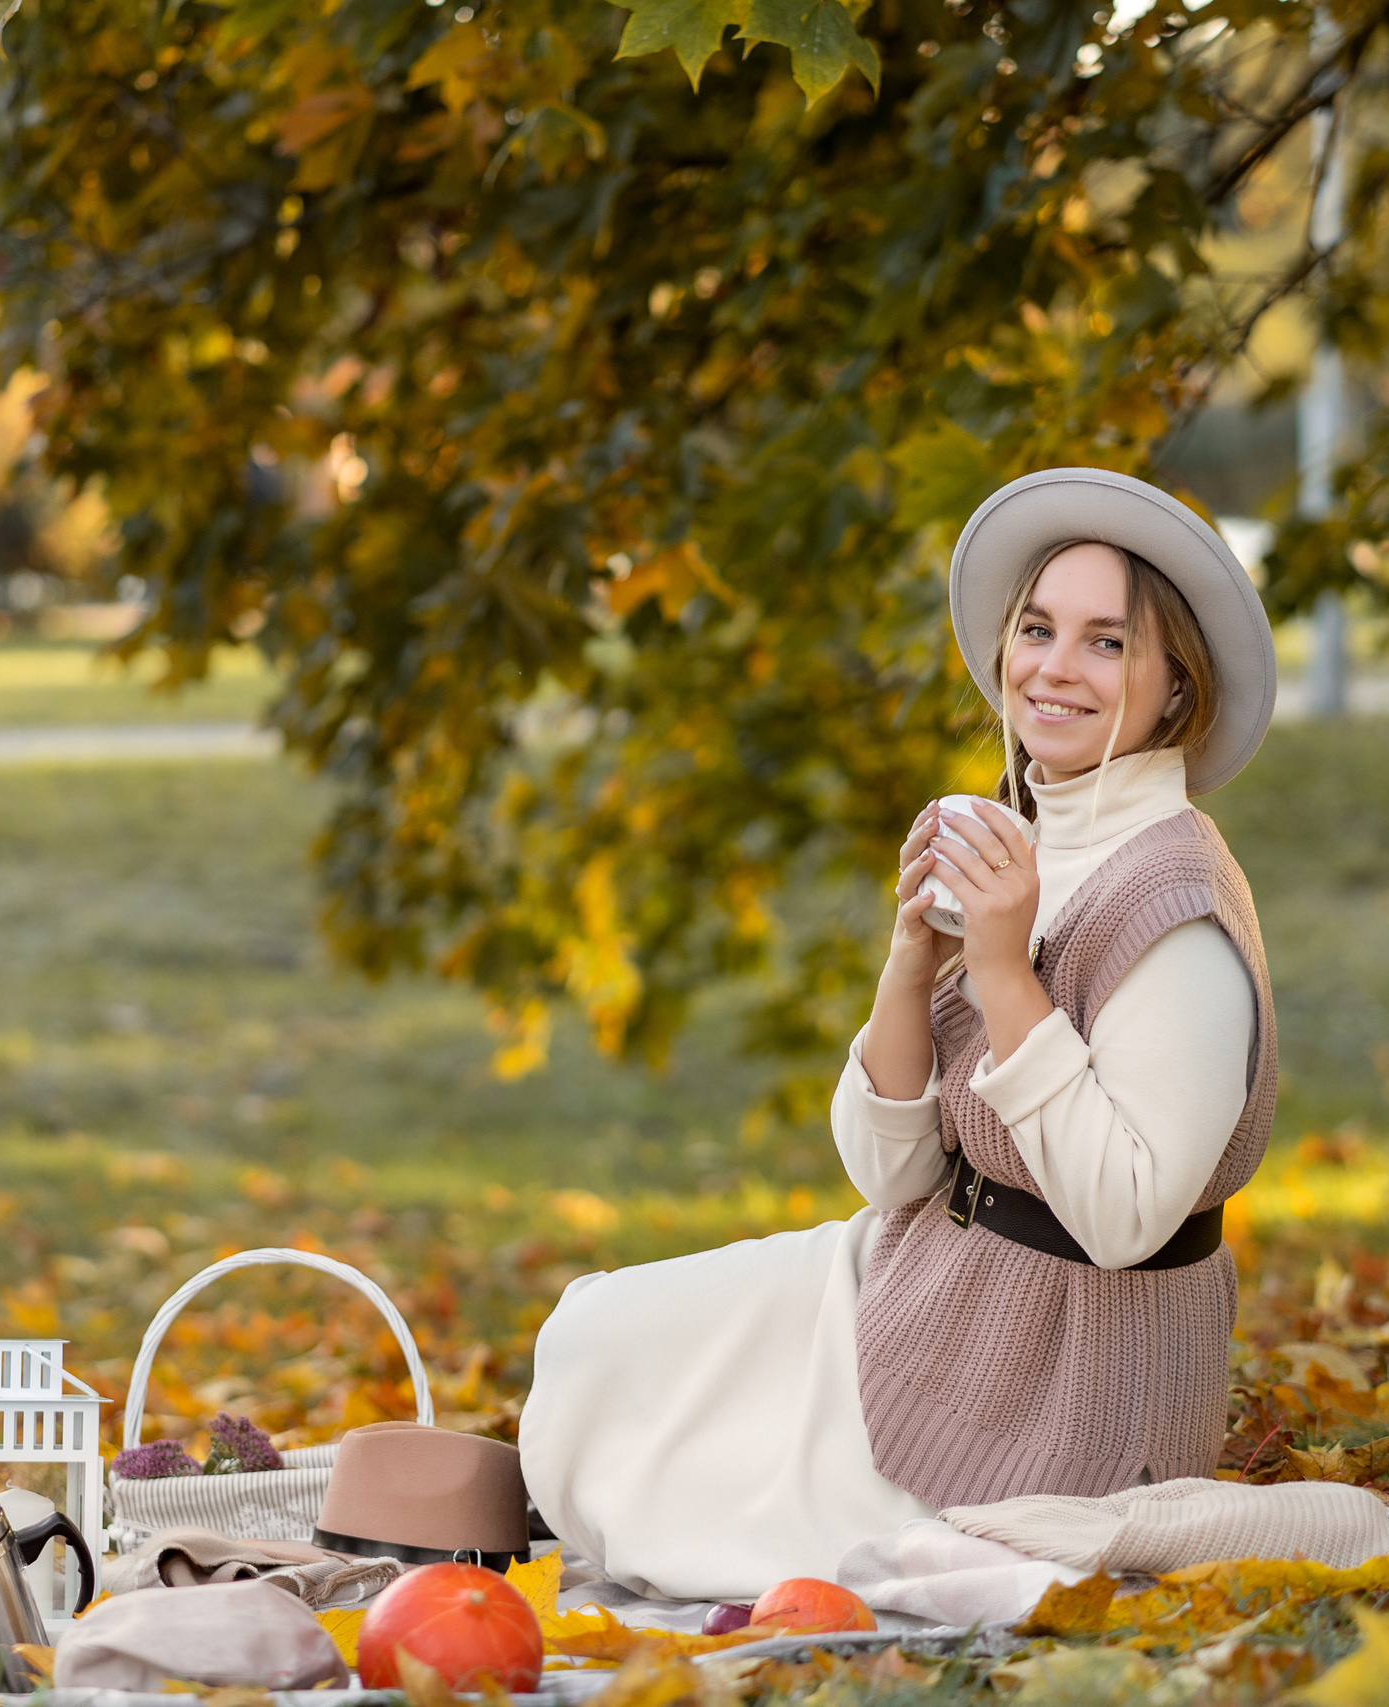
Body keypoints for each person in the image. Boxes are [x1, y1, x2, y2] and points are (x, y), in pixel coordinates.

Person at [517, 468, 1281, 1602]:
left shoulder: (1175, 908)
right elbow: (890, 1169)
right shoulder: (1024, 840)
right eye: (1037, 630)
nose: (1053, 669)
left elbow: (1124, 1218)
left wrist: (1004, 972)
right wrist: (911, 960)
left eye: (1107, 644)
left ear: (1174, 690)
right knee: (591, 1334)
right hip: (922, 1275)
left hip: (1062, 1366)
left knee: (675, 1479)